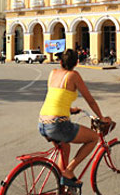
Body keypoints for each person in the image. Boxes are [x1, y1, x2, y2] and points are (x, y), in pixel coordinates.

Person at [38, 49, 111, 188]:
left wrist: (71, 110)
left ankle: (62, 187)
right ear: (76, 62)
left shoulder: (53, 73)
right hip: (57, 124)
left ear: (60, 61)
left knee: (65, 147)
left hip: (42, 122)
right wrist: (101, 118)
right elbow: (90, 100)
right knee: (94, 138)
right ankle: (69, 172)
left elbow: (56, 98)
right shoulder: (73, 75)